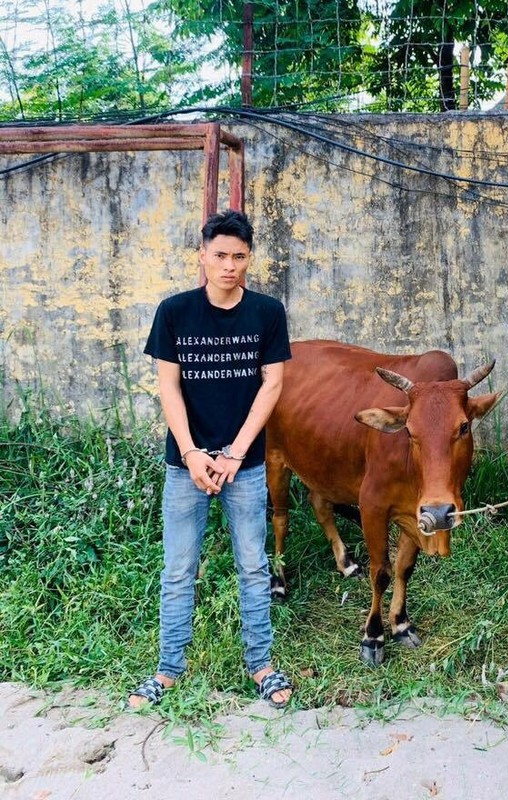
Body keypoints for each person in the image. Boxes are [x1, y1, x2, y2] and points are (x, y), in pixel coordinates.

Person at [128, 210, 293, 711]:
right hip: (186, 466)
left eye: (239, 257)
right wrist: (192, 453)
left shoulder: (266, 312)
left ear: (250, 259)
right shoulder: (175, 312)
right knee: (179, 568)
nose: (229, 266)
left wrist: (238, 452)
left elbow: (273, 384)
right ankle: (168, 670)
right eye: (219, 255)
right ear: (202, 255)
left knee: (253, 565)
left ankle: (260, 664)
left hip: (244, 464)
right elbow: (168, 386)